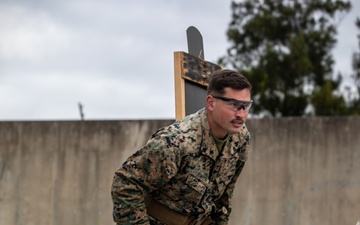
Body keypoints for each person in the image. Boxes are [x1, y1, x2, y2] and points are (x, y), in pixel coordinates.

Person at [111, 69, 253, 225]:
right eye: (234, 105)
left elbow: (224, 198)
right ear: (211, 103)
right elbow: (125, 184)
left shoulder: (240, 139)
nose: (241, 114)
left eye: (245, 106)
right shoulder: (176, 142)